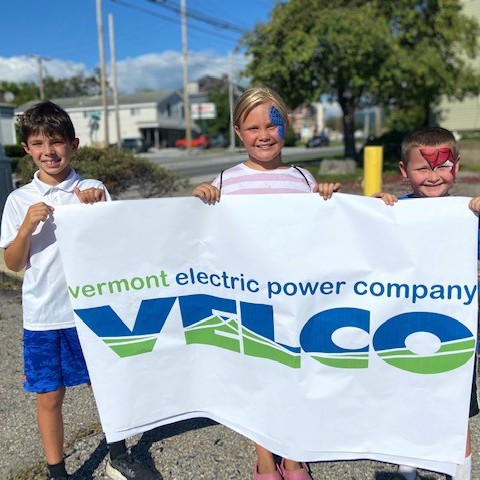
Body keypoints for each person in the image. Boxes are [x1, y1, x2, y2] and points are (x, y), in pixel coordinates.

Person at [0, 101, 158, 480]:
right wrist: (25, 229)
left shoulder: (93, 189)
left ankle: (117, 456)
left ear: (74, 144)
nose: (48, 151)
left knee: (105, 385)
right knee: (50, 396)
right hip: (44, 315)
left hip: (92, 310)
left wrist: (98, 213)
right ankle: (58, 472)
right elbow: (13, 263)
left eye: (56, 142)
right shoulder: (19, 200)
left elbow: (116, 251)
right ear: (26, 148)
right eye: (38, 143)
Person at [193, 87, 340, 480]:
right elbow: (201, 235)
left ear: (285, 127)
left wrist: (326, 197)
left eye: (272, 124)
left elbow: (322, 231)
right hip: (249, 302)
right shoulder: (225, 180)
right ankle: (264, 459)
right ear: (238, 131)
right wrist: (200, 198)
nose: (263, 134)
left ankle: (292, 457)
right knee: (257, 376)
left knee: (294, 373)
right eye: (253, 126)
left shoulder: (302, 178)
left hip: (295, 302)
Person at [373, 126, 479, 480]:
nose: (433, 176)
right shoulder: (392, 213)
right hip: (401, 330)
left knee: (454, 409)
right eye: (423, 168)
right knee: (405, 402)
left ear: (457, 166)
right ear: (404, 172)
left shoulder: (469, 215)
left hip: (453, 335)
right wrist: (370, 214)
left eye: (442, 166)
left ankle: (460, 472)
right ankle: (407, 467)